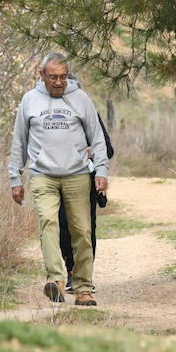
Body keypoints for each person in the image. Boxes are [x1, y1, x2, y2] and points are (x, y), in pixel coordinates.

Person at [9, 52, 109, 307]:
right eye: (53, 77)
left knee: (82, 231)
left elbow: (97, 137)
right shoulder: (30, 100)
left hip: (77, 175)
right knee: (49, 224)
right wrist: (15, 179)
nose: (59, 82)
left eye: (63, 77)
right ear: (41, 75)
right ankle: (55, 280)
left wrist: (101, 171)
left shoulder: (80, 98)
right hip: (43, 175)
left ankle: (83, 288)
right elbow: (19, 141)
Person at [60, 108, 112, 293]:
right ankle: (71, 271)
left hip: (86, 181)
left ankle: (84, 275)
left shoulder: (89, 113)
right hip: (57, 178)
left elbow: (108, 149)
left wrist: (90, 152)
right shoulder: (49, 116)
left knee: (86, 229)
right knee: (63, 226)